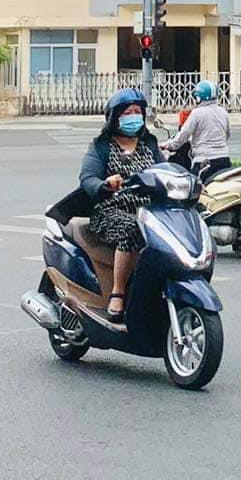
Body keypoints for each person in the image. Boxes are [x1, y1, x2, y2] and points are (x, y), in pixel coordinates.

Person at [60, 89, 164, 324]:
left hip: (148, 211)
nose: (134, 117)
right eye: (128, 113)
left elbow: (165, 171)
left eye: (138, 112)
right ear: (115, 117)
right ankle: (117, 293)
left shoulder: (149, 144)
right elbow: (87, 179)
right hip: (110, 210)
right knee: (132, 229)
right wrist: (105, 184)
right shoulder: (102, 146)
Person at [174, 80, 232, 184]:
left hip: (204, 162)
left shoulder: (197, 113)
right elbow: (227, 135)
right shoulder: (223, 112)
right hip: (224, 160)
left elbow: (183, 136)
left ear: (200, 97)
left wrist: (168, 146)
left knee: (191, 191)